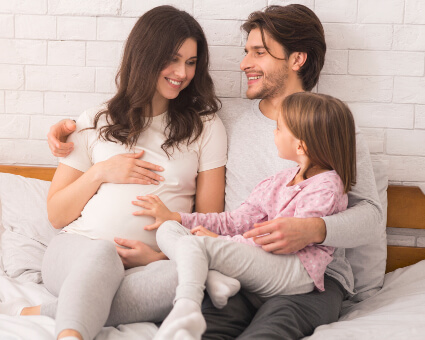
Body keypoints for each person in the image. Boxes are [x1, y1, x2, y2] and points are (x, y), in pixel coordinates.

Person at [45, 4, 384, 339]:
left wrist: (313, 229)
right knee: (203, 327)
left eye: (259, 53)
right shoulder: (226, 120)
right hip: (237, 266)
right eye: (245, 51)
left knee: (273, 326)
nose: (243, 64)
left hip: (308, 276)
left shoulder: (333, 128)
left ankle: (59, 312)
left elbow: (369, 215)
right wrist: (70, 138)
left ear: (297, 59)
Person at [5, 6, 228, 340]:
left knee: (197, 277)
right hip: (78, 250)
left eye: (191, 62)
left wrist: (155, 257)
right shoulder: (96, 121)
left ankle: (48, 312)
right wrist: (100, 172)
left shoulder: (206, 127)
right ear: (145, 57)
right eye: (173, 59)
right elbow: (56, 214)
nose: (182, 72)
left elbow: (208, 224)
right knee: (103, 253)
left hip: (153, 264)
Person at [133, 92, 356, 340]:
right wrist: (179, 218)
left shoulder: (326, 187)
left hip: (295, 270)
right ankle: (213, 276)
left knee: (199, 246)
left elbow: (282, 242)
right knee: (170, 230)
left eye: (279, 128)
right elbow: (236, 221)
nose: (274, 133)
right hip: (262, 263)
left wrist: (220, 244)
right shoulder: (280, 180)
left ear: (300, 145)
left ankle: (188, 302)